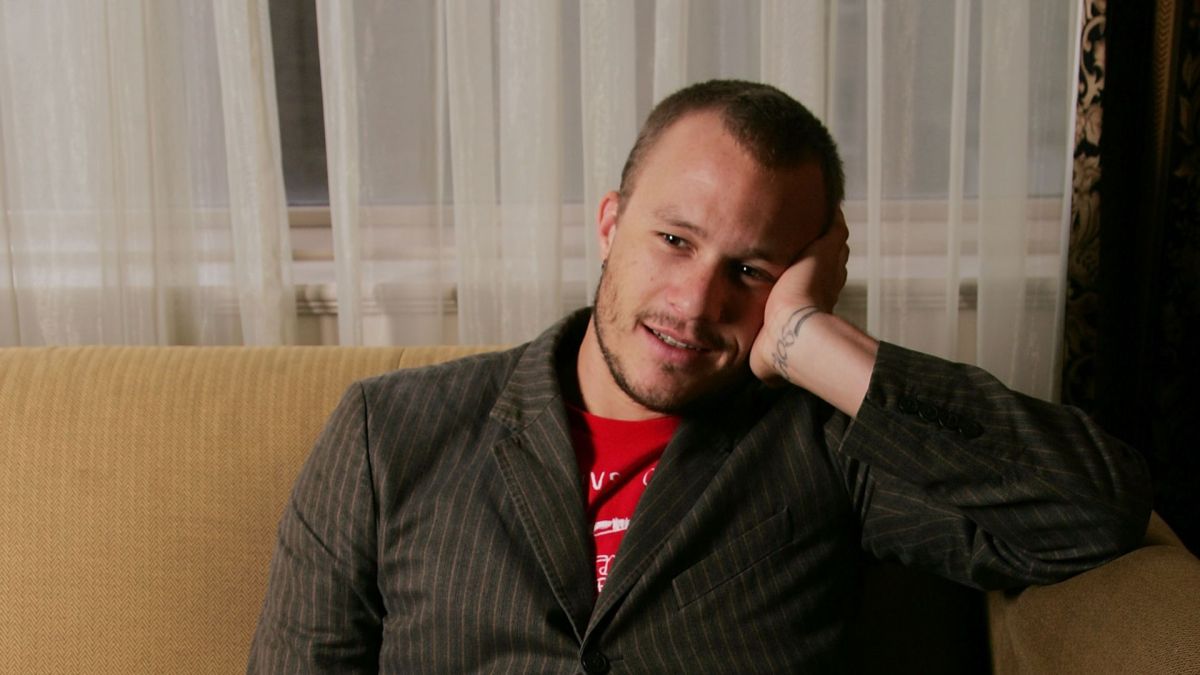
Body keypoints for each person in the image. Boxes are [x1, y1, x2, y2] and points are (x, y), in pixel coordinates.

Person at [248, 80, 1150, 672]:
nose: (694, 299)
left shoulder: (827, 441)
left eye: (751, 270)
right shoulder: (389, 434)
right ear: (610, 223)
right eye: (674, 240)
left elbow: (1090, 514)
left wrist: (810, 341)